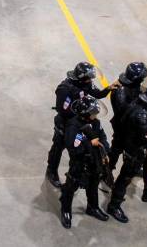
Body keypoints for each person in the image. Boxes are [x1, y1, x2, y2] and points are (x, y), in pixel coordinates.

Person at [107, 83, 147, 223]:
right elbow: (145, 137)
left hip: (143, 146)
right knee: (125, 177)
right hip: (135, 149)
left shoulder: (145, 104)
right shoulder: (142, 115)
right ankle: (114, 205)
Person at [46, 62, 117, 188]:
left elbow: (97, 94)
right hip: (66, 123)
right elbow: (63, 110)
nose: (90, 81)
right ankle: (51, 171)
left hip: (81, 120)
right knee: (58, 148)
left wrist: (108, 88)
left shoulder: (86, 83)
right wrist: (81, 115)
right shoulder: (65, 89)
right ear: (81, 78)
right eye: (89, 78)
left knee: (79, 150)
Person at [59, 95, 112, 229]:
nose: (96, 115)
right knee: (71, 187)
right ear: (86, 114)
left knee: (93, 185)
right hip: (79, 163)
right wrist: (90, 143)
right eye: (93, 113)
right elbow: (73, 147)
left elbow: (102, 137)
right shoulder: (73, 126)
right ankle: (65, 209)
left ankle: (92, 207)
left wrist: (105, 151)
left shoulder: (96, 123)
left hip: (94, 161)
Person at [108, 62, 147, 173]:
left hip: (130, 125)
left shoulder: (133, 86)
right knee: (117, 148)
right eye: (141, 78)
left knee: (134, 150)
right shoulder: (121, 91)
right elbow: (125, 111)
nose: (142, 80)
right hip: (122, 125)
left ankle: (134, 168)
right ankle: (107, 169)